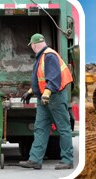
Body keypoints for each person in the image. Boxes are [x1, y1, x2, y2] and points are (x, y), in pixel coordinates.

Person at [18, 33, 75, 170]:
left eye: (31, 45)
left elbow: (54, 78)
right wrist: (31, 92)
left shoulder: (49, 56)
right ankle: (35, 160)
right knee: (40, 129)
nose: (31, 48)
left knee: (63, 129)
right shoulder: (42, 57)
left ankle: (67, 160)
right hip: (45, 98)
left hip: (54, 97)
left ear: (34, 44)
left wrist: (47, 94)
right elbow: (41, 79)